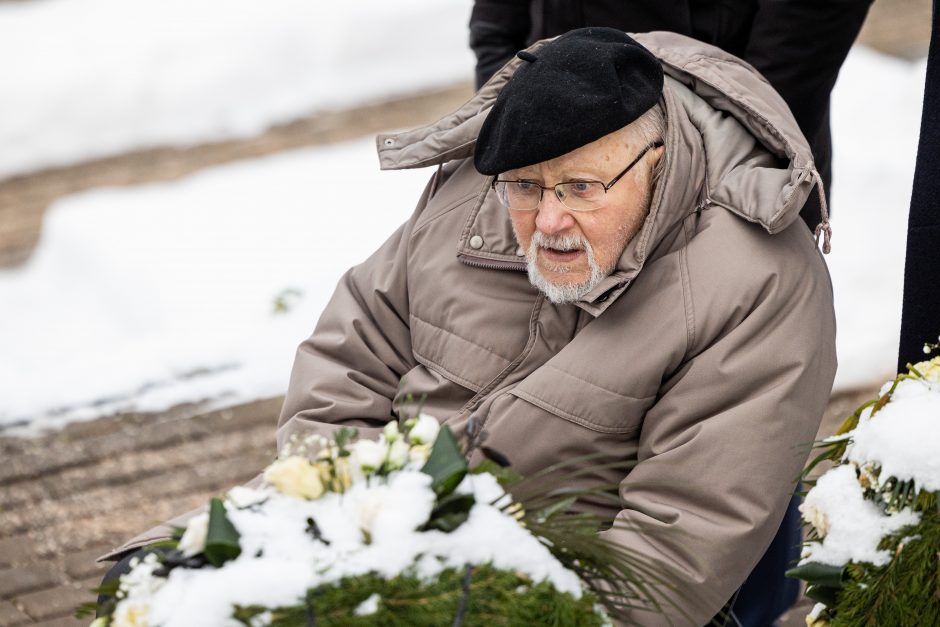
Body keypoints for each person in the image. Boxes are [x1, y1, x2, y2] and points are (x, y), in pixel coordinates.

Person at [101, 29, 836, 625]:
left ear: (659, 159)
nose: (548, 220)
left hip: (560, 585)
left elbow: (671, 554)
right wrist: (353, 520)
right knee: (151, 583)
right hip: (387, 530)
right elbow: (347, 362)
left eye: (581, 187)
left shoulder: (754, 276)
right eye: (524, 187)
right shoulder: (475, 195)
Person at [469, 0, 873, 230]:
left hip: (725, 175)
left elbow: (803, 37)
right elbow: (497, 23)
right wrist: (510, 120)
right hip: (536, 180)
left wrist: (705, 170)